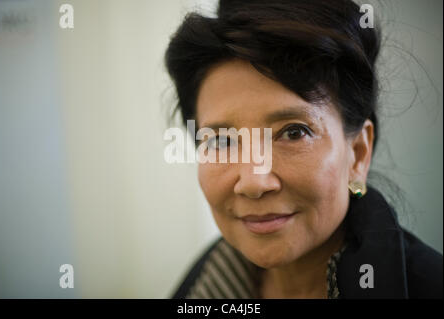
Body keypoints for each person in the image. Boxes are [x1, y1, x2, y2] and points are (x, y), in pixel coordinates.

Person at [164, 0, 442, 298]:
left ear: (358, 154)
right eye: (221, 140)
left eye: (294, 133)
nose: (254, 183)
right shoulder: (200, 285)